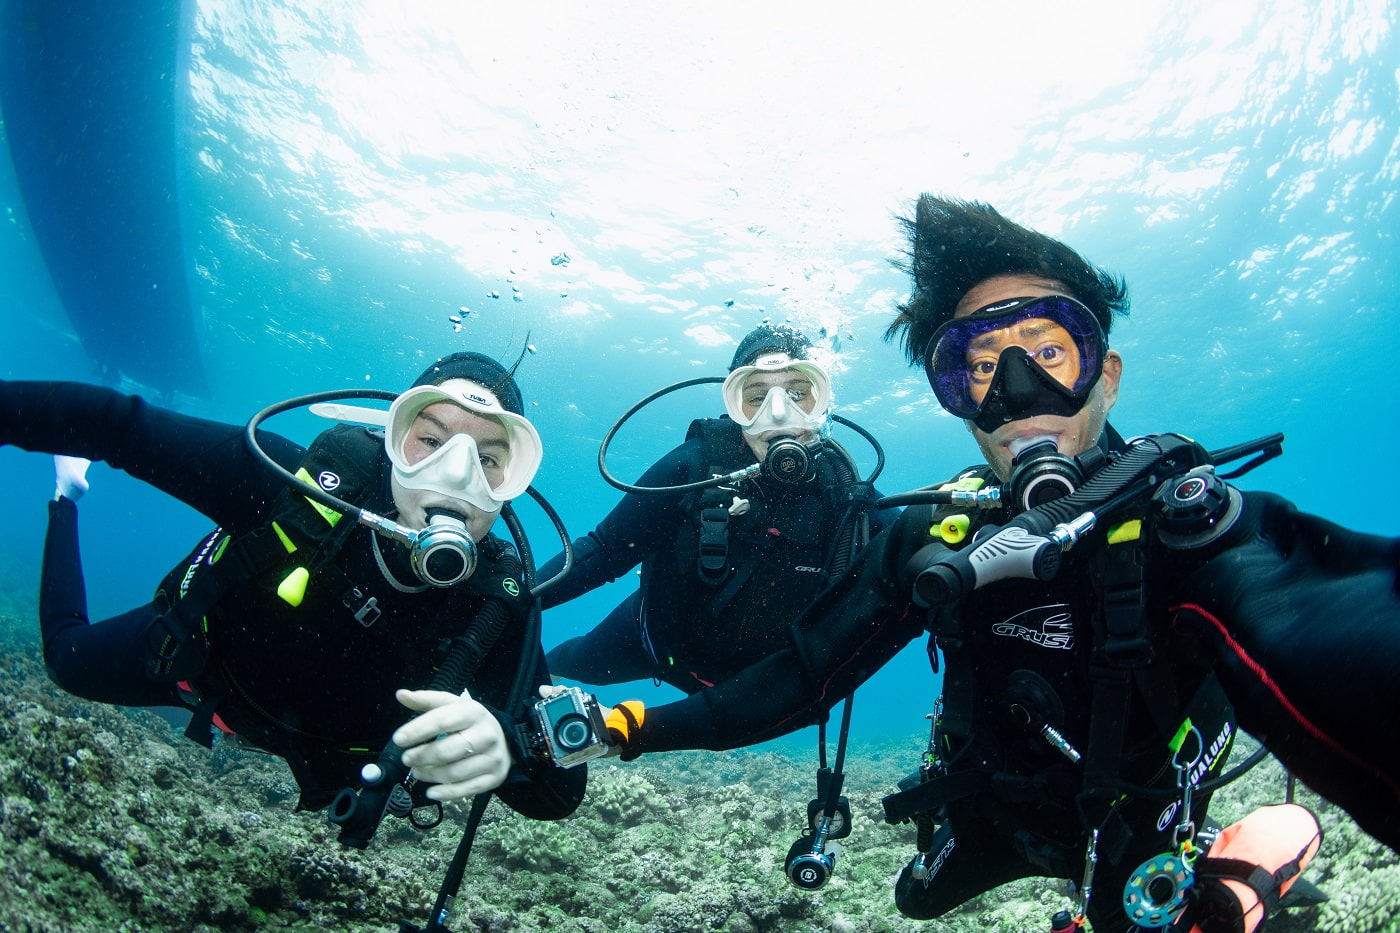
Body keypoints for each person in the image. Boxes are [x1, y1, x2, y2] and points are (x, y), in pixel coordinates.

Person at [566, 197, 1398, 931]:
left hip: (1132, 813)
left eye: (1050, 350)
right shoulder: (936, 530)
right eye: (978, 365)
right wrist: (627, 728)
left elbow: (1332, 621)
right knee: (914, 901)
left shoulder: (1187, 528)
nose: (1016, 394)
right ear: (952, 397)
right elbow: (803, 676)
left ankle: (1238, 873)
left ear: (1104, 372)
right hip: (987, 806)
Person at [2, 352, 585, 823]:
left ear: (513, 481)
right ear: (392, 440)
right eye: (430, 441)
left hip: (329, 761)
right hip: (204, 673)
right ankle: (66, 497)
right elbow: (117, 425)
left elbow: (562, 794)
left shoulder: (494, 603)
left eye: (489, 459)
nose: (457, 475)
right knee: (63, 660)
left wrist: (508, 748)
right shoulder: (296, 489)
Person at [539, 324, 893, 694]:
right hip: (653, 643)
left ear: (822, 403)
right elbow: (605, 549)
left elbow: (913, 551)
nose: (777, 414)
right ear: (734, 405)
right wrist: (513, 599)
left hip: (763, 693)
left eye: (797, 394)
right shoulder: (695, 468)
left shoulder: (846, 493)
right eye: (756, 398)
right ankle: (551, 670)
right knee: (573, 661)